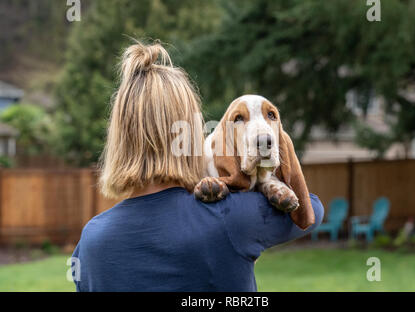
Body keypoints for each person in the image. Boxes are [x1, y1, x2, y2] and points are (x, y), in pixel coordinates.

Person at [71, 41, 324, 291]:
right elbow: (312, 209)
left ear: (119, 142)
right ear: (189, 138)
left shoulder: (90, 243)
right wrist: (268, 181)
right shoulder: (233, 218)